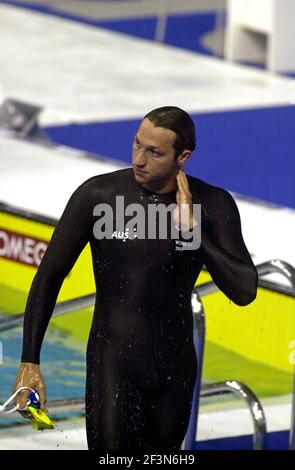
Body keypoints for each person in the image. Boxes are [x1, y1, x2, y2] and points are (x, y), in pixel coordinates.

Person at [13, 106, 258, 451]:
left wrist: (194, 233)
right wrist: (29, 361)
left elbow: (245, 290)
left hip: (174, 369)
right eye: (137, 144)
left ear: (182, 156)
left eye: (154, 152)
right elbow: (49, 275)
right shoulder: (99, 196)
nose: (139, 159)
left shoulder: (213, 204)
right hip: (113, 363)